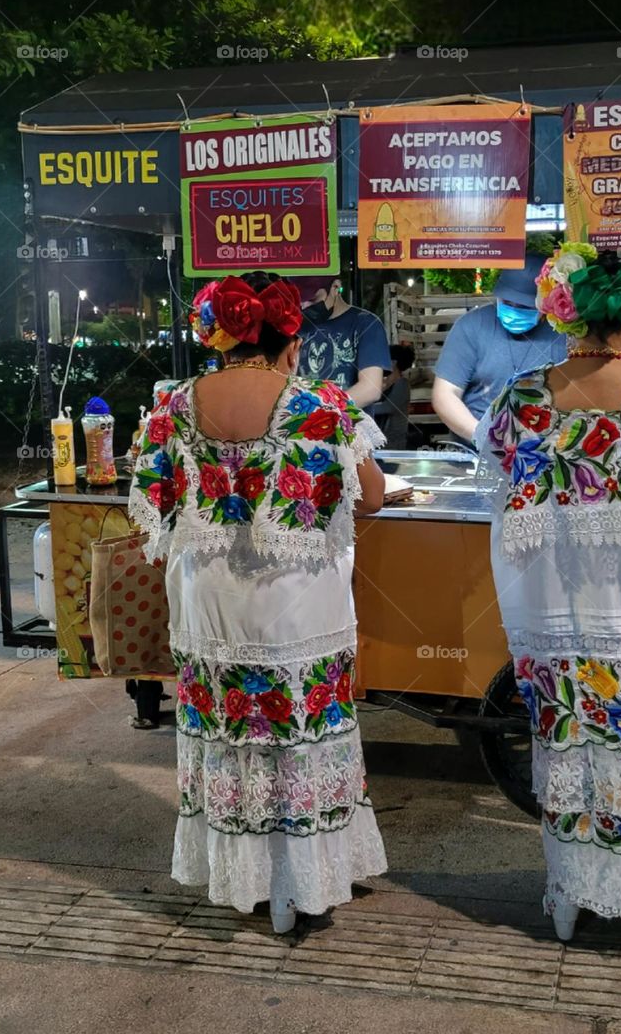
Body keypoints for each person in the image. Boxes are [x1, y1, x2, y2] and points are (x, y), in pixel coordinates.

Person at [128, 272, 388, 934]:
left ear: (217, 340)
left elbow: (149, 515)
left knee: (233, 730)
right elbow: (374, 496)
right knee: (299, 733)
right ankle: (303, 880)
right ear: (289, 342)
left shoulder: (169, 408)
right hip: (299, 603)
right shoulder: (322, 407)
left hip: (211, 605)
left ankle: (245, 879)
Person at [477, 244, 621, 960]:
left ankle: (570, 899)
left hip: (555, 616)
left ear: (567, 309)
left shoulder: (520, 395)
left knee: (569, 748)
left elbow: (493, 478)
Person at [432, 252, 567, 444]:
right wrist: (484, 438)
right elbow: (445, 394)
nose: (513, 309)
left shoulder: (563, 333)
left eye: (524, 306)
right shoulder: (470, 326)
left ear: (545, 304)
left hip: (544, 449)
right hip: (475, 449)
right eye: (507, 302)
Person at [298, 275, 391, 407]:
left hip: (349, 425)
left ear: (335, 287)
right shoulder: (296, 326)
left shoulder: (366, 324)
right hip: (300, 424)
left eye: (313, 300)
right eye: (301, 301)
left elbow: (371, 389)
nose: (305, 306)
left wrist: (320, 413)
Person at [374, 343, 415, 450]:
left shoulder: (402, 384)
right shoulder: (388, 383)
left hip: (393, 442)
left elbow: (388, 407)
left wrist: (358, 406)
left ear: (393, 362)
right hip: (382, 441)